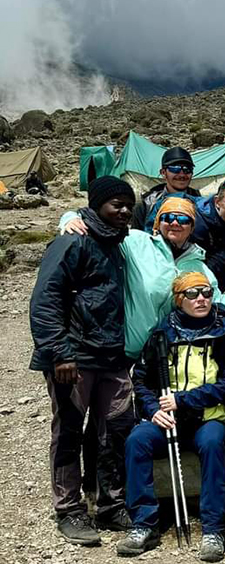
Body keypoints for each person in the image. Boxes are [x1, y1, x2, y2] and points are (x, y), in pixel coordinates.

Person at [30, 177, 137, 545]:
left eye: (128, 204)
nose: (123, 210)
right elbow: (45, 301)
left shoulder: (119, 243)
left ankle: (109, 503)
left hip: (112, 355)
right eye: (115, 204)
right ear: (96, 206)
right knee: (70, 431)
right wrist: (59, 351)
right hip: (74, 357)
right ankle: (69, 509)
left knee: (115, 429)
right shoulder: (72, 241)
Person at [118, 272, 225, 561]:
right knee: (138, 440)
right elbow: (141, 380)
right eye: (192, 293)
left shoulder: (224, 333)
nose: (201, 299)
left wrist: (183, 400)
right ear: (178, 299)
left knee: (212, 443)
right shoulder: (162, 333)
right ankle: (143, 523)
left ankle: (213, 529)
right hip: (167, 418)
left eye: (207, 293)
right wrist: (153, 411)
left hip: (208, 416)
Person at [61, 196, 225, 359]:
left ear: (191, 227)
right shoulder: (135, 241)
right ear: (158, 222)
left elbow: (217, 304)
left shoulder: (198, 266)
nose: (175, 223)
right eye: (168, 217)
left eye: (183, 219)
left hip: (164, 355)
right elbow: (100, 228)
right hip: (124, 348)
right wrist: (71, 218)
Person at [131, 147, 201, 230]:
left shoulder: (200, 203)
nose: (182, 175)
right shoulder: (147, 204)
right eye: (175, 169)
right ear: (163, 173)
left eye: (187, 169)